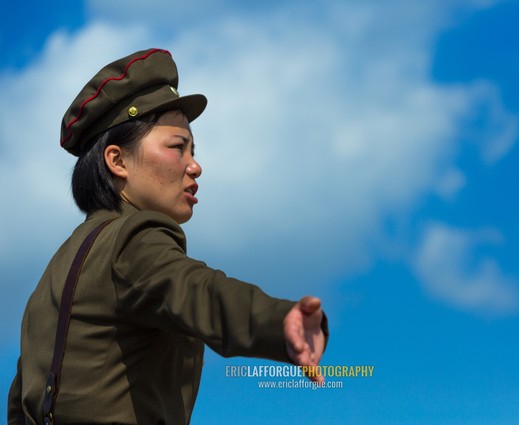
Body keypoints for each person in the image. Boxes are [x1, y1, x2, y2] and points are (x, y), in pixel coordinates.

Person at [7, 48, 328, 424]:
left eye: (193, 150)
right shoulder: (135, 236)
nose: (195, 166)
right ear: (117, 161)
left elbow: (19, 403)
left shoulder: (53, 277)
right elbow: (195, 289)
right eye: (178, 147)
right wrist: (277, 322)